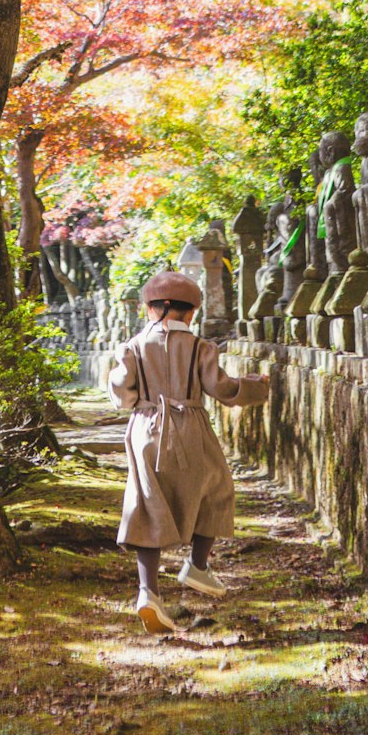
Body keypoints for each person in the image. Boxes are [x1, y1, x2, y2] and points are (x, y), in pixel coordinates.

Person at [109, 267, 270, 635]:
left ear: (148, 309)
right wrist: (257, 388)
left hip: (145, 429)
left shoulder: (132, 347)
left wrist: (140, 400)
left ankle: (148, 593)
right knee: (215, 490)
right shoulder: (200, 347)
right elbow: (222, 387)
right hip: (191, 426)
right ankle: (197, 565)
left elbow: (121, 391)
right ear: (192, 312)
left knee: (148, 503)